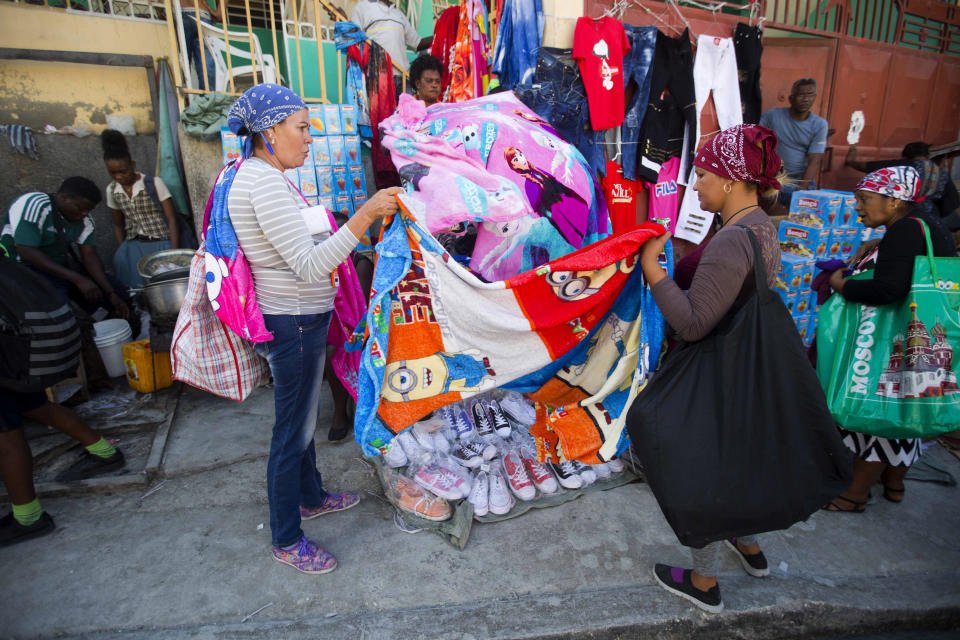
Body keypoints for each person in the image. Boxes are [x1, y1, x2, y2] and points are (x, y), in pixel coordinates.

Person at [225, 83, 403, 573]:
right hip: (294, 322)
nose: (309, 138)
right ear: (269, 130)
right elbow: (307, 265)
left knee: (302, 422)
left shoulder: (269, 177)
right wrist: (366, 214)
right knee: (292, 431)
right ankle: (286, 537)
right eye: (301, 128)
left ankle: (310, 495)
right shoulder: (261, 183)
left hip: (301, 318)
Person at [639, 124, 785, 613]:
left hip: (717, 370)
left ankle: (703, 581)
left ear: (730, 181)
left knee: (695, 467)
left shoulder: (730, 240)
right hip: (746, 368)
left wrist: (652, 269)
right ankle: (749, 546)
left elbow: (694, 322)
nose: (694, 186)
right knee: (736, 458)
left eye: (702, 175)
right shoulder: (759, 225)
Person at [823, 166, 956, 512]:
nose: (858, 208)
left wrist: (842, 286)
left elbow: (887, 289)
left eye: (865, 200)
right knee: (910, 406)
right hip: (927, 335)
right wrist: (884, 241)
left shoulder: (904, 232)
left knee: (884, 411)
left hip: (899, 336)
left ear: (894, 201)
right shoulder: (923, 223)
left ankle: (854, 494)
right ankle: (893, 484)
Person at [0, 389, 126, 547]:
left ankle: (28, 518)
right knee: (34, 406)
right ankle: (105, 452)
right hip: (11, 371)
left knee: (6, 438)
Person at [1, 177, 129, 322]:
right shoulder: (36, 204)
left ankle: (107, 323)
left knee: (115, 291)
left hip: (57, 268)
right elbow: (25, 251)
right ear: (63, 197)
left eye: (89, 210)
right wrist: (77, 279)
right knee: (58, 305)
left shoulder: (85, 221)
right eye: (80, 207)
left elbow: (89, 257)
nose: (85, 213)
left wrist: (110, 293)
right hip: (21, 269)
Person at [102, 129, 179, 289]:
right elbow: (118, 224)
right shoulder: (112, 190)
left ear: (133, 165)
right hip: (133, 247)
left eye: (123, 171)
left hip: (161, 244)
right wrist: (122, 249)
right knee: (136, 291)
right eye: (113, 173)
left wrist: (174, 251)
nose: (119, 176)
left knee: (163, 287)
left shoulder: (153, 183)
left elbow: (171, 219)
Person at [845, 141, 960, 230]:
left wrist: (851, 162)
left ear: (905, 156)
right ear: (927, 155)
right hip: (933, 220)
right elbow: (951, 204)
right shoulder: (942, 174)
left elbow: (870, 167)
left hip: (907, 218)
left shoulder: (904, 169)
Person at [759, 78, 827, 204]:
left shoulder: (819, 124)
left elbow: (815, 160)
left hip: (801, 182)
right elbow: (757, 142)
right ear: (791, 98)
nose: (806, 99)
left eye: (810, 95)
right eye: (801, 95)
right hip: (774, 180)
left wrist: (799, 192)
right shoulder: (772, 116)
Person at [350, 0, 432, 95]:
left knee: (406, 110)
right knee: (383, 110)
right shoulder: (363, 6)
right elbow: (353, 34)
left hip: (403, 77)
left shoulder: (398, 14)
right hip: (378, 75)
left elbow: (417, 43)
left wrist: (441, 33)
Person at [181, 0, 221, 91]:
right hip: (202, 14)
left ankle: (182, 99)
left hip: (181, 11)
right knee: (206, 67)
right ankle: (208, 100)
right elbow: (219, 15)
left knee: (182, 63)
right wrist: (219, 12)